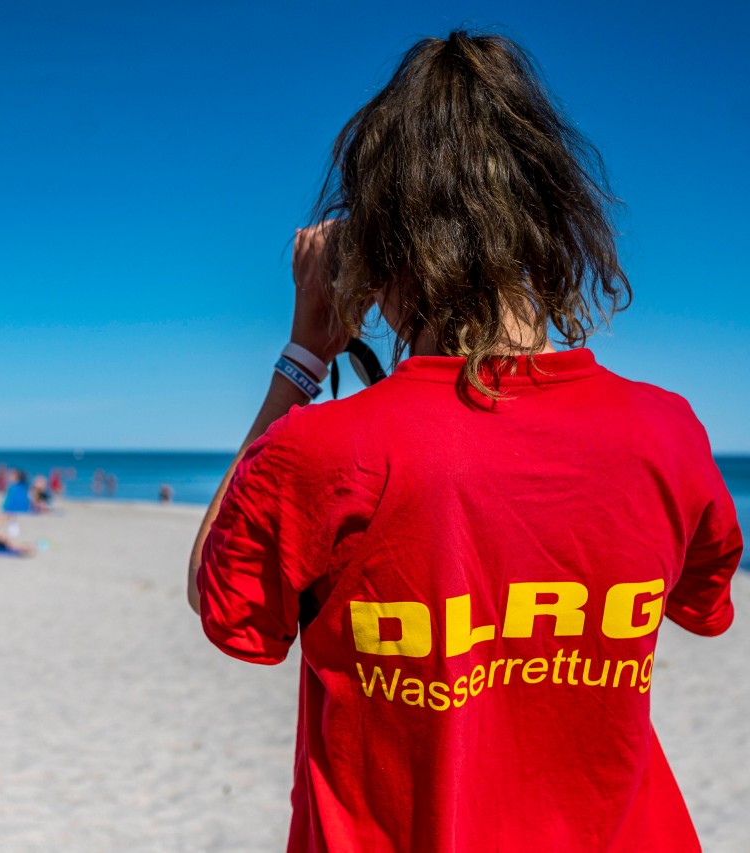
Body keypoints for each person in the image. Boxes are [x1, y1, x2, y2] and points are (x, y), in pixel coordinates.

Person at [189, 31, 741, 852]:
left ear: (379, 245)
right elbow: (701, 606)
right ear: (553, 222)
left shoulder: (322, 452)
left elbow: (221, 599)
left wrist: (304, 354)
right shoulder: (667, 435)